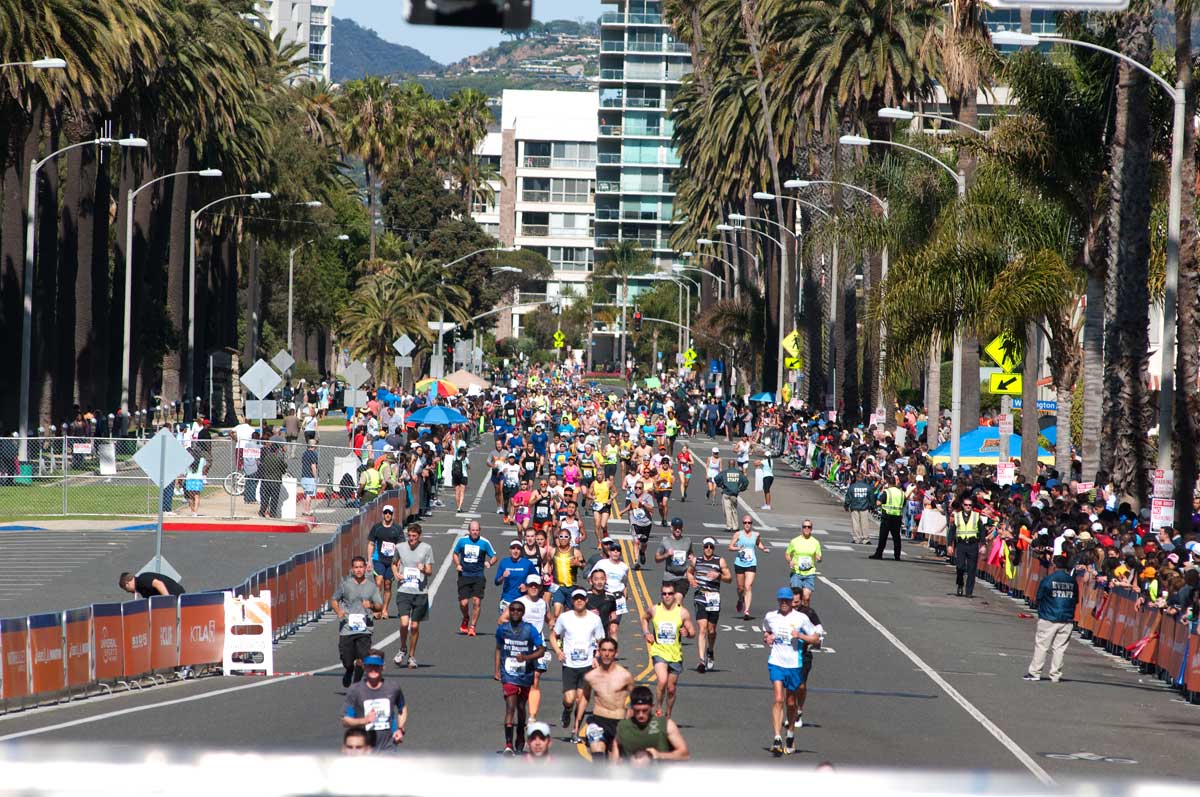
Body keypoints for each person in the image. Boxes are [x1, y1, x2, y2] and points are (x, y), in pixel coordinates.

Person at [762, 587, 821, 755]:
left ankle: (790, 734)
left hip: (794, 663)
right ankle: (776, 737)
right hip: (776, 662)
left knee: (790, 702)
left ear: (792, 602)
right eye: (781, 600)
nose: (784, 603)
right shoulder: (770, 616)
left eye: (787, 600)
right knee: (779, 699)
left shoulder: (801, 618)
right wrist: (767, 637)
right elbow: (766, 631)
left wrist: (800, 636)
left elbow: (815, 638)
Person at [550, 587, 606, 741]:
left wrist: (597, 657)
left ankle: (575, 730)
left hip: (587, 665)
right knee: (569, 699)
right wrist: (558, 651)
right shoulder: (565, 618)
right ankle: (567, 711)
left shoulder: (594, 619)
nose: (579, 601)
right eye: (576, 599)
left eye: (582, 598)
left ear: (586, 600)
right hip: (569, 665)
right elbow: (553, 636)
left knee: (581, 699)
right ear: (572, 601)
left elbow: (601, 640)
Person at [494, 599, 546, 755]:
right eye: (513, 610)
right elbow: (498, 648)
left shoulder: (530, 630)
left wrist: (527, 658)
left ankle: (521, 734)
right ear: (509, 612)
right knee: (510, 707)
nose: (515, 612)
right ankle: (508, 744)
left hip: (525, 673)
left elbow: (542, 650)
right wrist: (497, 670)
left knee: (521, 707)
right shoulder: (502, 629)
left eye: (518, 610)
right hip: (508, 673)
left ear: (523, 613)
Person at [502, 575, 552, 723]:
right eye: (531, 585)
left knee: (536, 679)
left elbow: (549, 619)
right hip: (521, 646)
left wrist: (554, 626)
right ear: (526, 586)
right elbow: (502, 619)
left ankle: (532, 716)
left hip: (538, 646)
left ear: (540, 587)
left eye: (536, 585)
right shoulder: (519, 603)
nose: (534, 588)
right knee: (520, 680)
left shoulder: (544, 604)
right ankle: (519, 706)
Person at [642, 581, 694, 719]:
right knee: (662, 681)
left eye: (670, 593)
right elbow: (644, 619)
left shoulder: (682, 612)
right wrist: (646, 633)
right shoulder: (655, 609)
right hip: (659, 651)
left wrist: (687, 633)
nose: (667, 596)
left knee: (671, 688)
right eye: (664, 594)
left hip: (675, 654)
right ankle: (658, 708)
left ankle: (668, 713)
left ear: (674, 595)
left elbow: (692, 632)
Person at [1024, 555, 1079, 682]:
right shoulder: (1072, 581)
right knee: (1060, 648)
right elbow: (1075, 599)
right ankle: (1055, 674)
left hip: (1049, 616)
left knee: (1042, 646)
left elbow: (1039, 596)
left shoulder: (1048, 580)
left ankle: (1035, 672)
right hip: (1066, 618)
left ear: (1054, 565)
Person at [331, 555, 383, 688]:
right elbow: (334, 600)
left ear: (365, 568)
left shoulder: (371, 587)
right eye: (356, 567)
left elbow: (379, 605)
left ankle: (355, 686)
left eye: (361, 567)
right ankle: (349, 671)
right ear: (352, 569)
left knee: (362, 659)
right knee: (348, 661)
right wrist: (338, 611)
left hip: (365, 629)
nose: (359, 570)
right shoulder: (345, 585)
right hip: (347, 628)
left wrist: (370, 605)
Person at [342, 652, 406, 752]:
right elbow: (346, 721)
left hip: (388, 747)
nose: (373, 670)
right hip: (364, 749)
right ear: (364, 667)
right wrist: (364, 720)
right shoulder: (355, 691)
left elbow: (402, 708)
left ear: (382, 667)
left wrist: (400, 729)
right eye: (369, 666)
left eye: (376, 666)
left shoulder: (393, 688)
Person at [582, 637, 634, 760]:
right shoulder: (591, 676)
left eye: (610, 651)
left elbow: (635, 700)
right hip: (598, 720)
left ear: (616, 653)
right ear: (599, 651)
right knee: (598, 754)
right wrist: (577, 723)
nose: (607, 654)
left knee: (615, 764)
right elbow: (585, 697)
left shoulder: (625, 676)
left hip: (619, 722)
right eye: (604, 650)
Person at [392, 523, 434, 668]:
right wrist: (396, 573)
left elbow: (430, 571)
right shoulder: (400, 547)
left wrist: (423, 570)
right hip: (404, 590)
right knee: (404, 623)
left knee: (415, 626)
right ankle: (402, 648)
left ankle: (411, 655)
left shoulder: (426, 548)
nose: (411, 539)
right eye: (409, 536)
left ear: (419, 536)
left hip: (420, 592)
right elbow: (394, 563)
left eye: (414, 537)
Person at [612, 685, 690, 762]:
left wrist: (659, 755)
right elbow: (615, 753)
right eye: (637, 711)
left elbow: (684, 754)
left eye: (645, 710)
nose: (641, 715)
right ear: (631, 707)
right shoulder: (623, 727)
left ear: (652, 707)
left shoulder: (666, 724)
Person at [688, 537, 732, 672]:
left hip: (713, 597)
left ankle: (710, 651)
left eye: (711, 547)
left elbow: (729, 578)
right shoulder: (697, 560)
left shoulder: (720, 561)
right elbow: (689, 572)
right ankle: (701, 661)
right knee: (702, 628)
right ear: (703, 547)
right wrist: (691, 580)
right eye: (706, 546)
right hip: (700, 596)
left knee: (711, 630)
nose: (708, 549)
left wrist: (718, 575)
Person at [453, 519, 498, 636]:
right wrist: (457, 564)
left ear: (480, 530)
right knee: (463, 603)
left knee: (476, 602)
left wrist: (490, 563)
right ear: (469, 531)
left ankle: (472, 626)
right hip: (464, 575)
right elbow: (455, 553)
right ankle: (466, 617)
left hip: (478, 576)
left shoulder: (484, 542)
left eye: (477, 530)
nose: (475, 532)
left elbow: (494, 556)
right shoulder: (462, 541)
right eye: (473, 530)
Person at [790, 592, 826, 734]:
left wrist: (812, 639)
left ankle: (799, 710)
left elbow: (818, 631)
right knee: (789, 686)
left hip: (804, 653)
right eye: (792, 601)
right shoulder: (784, 612)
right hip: (788, 654)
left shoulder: (808, 613)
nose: (794, 605)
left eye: (797, 602)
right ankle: (791, 713)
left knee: (801, 684)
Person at [730, 516, 770, 620]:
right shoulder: (738, 534)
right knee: (740, 588)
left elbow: (758, 543)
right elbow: (730, 547)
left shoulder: (756, 534)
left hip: (751, 563)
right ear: (742, 524)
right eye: (745, 522)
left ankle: (746, 610)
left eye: (749, 523)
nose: (747, 524)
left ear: (751, 524)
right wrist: (738, 548)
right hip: (739, 563)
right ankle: (740, 599)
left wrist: (763, 548)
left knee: (748, 586)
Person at [367, 506, 402, 619]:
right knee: (378, 582)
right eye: (385, 512)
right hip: (378, 559)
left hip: (392, 561)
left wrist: (399, 561)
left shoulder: (397, 529)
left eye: (390, 513)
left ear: (392, 514)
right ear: (382, 514)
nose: (387, 515)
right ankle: (377, 609)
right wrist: (369, 560)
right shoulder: (377, 528)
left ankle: (385, 609)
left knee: (387, 584)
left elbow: (400, 546)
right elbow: (371, 544)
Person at [949, 496, 983, 598]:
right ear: (962, 506)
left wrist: (983, 544)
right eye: (966, 505)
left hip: (973, 544)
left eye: (970, 505)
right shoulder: (957, 516)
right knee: (960, 567)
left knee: (972, 569)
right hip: (961, 544)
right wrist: (950, 545)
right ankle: (960, 584)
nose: (968, 507)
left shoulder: (976, 516)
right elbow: (951, 532)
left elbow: (982, 530)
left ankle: (969, 591)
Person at [784, 520, 823, 606]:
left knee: (806, 597)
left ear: (811, 529)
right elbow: (787, 554)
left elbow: (819, 557)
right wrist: (790, 561)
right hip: (796, 573)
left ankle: (805, 615)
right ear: (802, 528)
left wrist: (819, 559)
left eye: (809, 527)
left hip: (809, 573)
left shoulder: (815, 542)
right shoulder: (794, 541)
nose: (806, 528)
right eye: (805, 526)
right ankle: (794, 616)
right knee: (796, 598)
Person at [496, 540, 540, 613]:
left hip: (523, 599)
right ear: (510, 550)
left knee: (522, 623)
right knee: (505, 622)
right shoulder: (504, 562)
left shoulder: (527, 563)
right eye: (513, 548)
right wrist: (503, 577)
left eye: (518, 548)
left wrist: (527, 587)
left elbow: (536, 580)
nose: (515, 551)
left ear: (521, 550)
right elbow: (496, 582)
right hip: (507, 599)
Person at [656, 517, 694, 599]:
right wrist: (666, 555)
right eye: (676, 528)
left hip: (683, 577)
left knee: (678, 599)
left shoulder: (687, 541)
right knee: (668, 603)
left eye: (679, 527)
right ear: (671, 528)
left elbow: (691, 553)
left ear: (682, 528)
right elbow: (657, 558)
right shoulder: (665, 541)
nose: (678, 530)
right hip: (669, 576)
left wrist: (692, 558)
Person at [625, 479, 657, 570]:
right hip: (635, 522)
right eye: (636, 487)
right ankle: (636, 562)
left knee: (644, 542)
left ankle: (642, 552)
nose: (637, 489)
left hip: (646, 523)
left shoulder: (648, 497)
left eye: (639, 488)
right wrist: (629, 517)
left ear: (643, 489)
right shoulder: (632, 496)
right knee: (635, 541)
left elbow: (652, 510)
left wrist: (642, 503)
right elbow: (631, 507)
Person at [871, 474, 904, 560]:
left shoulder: (887, 492)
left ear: (888, 483)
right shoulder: (901, 493)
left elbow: (878, 503)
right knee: (896, 537)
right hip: (897, 517)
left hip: (887, 517)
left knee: (883, 537)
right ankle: (897, 555)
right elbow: (903, 504)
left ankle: (879, 554)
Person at [713, 458, 749, 535]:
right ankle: (735, 526)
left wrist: (720, 485)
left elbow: (716, 478)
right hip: (734, 494)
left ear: (728, 465)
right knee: (734, 510)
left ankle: (729, 526)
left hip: (726, 493)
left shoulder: (724, 472)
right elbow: (746, 481)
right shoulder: (738, 473)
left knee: (727, 510)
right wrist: (740, 489)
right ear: (734, 465)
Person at [843, 474, 876, 545]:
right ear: (863, 478)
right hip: (864, 507)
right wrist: (872, 506)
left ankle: (857, 538)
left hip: (854, 506)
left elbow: (848, 497)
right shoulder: (868, 487)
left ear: (856, 478)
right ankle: (866, 539)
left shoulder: (852, 486)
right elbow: (872, 498)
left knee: (855, 523)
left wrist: (846, 505)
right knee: (865, 523)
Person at [119, 571, 185, 599]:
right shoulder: (140, 588)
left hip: (176, 595)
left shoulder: (141, 580)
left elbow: (158, 584)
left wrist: (168, 600)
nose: (127, 591)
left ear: (127, 583)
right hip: (176, 597)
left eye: (125, 589)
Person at [451, 442, 469, 513]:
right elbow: (468, 466)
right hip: (463, 476)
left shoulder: (455, 458)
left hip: (455, 475)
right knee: (462, 492)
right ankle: (459, 506)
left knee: (457, 492)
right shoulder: (465, 459)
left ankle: (458, 506)